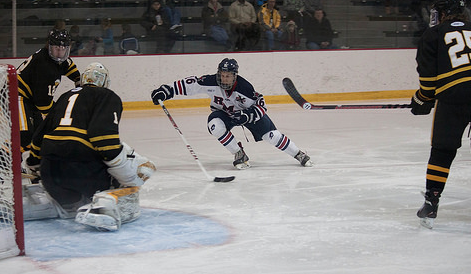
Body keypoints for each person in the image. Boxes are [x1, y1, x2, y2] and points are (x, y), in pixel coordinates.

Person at [22, 62, 156, 231]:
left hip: (51, 175)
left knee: (68, 192)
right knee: (132, 174)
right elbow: (103, 139)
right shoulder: (107, 96)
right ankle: (105, 206)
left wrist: (36, 170)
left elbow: (37, 139)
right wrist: (127, 176)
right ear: (105, 82)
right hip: (82, 172)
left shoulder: (65, 97)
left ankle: (51, 202)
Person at [150, 58, 313, 169]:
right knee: (215, 125)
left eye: (228, 76)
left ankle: (298, 154)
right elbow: (189, 84)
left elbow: (261, 105)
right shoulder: (210, 81)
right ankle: (238, 153)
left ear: (234, 76)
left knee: (271, 137)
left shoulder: (245, 88)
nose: (224, 78)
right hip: (225, 115)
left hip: (246, 114)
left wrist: (248, 116)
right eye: (222, 74)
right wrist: (167, 91)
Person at [410, 0, 471, 229]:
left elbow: (429, 82)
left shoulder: (433, 34)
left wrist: (421, 100)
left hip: (454, 97)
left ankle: (431, 202)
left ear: (441, 13)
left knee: (443, 149)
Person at [16, 28, 80, 152]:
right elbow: (43, 105)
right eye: (56, 49)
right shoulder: (45, 66)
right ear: (49, 47)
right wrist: (60, 113)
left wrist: (79, 81)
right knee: (24, 135)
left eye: (63, 49)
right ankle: (0, 165)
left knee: (41, 134)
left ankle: (37, 163)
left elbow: (71, 69)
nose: (60, 53)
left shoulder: (61, 60)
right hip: (16, 95)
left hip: (30, 99)